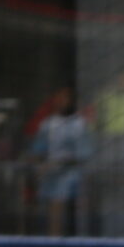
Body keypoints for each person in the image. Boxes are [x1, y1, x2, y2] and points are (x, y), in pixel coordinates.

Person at [29, 87, 92, 237]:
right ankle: (54, 239)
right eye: (58, 98)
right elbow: (38, 150)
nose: (61, 102)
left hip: (73, 176)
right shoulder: (48, 124)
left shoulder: (79, 124)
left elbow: (83, 153)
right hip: (51, 176)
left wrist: (61, 162)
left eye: (64, 98)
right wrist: (38, 164)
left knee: (76, 211)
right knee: (53, 210)